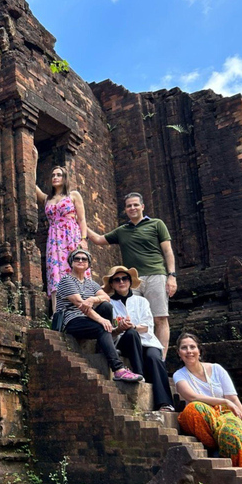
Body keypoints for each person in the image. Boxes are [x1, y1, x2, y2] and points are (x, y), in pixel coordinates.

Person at [87, 192, 177, 357]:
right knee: (131, 319)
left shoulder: (157, 224)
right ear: (126, 210)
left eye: (136, 205)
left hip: (155, 274)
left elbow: (167, 251)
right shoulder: (122, 231)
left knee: (160, 318)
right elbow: (99, 239)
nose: (132, 208)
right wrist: (79, 221)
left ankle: (159, 359)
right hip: (131, 281)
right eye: (129, 206)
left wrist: (172, 276)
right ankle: (138, 356)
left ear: (142, 206)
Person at [56, 249, 143, 383]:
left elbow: (106, 297)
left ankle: (103, 347)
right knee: (102, 327)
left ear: (88, 264)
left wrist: (92, 299)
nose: (80, 261)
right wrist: (102, 320)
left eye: (84, 259)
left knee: (106, 306)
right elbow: (81, 305)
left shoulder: (90, 283)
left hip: (88, 320)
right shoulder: (67, 280)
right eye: (76, 259)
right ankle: (119, 370)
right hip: (72, 321)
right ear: (71, 263)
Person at [173, 333, 242, 469]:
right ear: (179, 353)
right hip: (202, 420)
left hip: (224, 414)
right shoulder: (179, 375)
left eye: (192, 347)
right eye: (184, 348)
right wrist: (224, 402)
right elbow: (192, 397)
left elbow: (233, 399)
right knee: (193, 409)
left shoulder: (217, 369)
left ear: (199, 350)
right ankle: (215, 446)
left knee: (230, 433)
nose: (189, 351)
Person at [102, 266, 175, 412]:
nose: (121, 282)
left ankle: (164, 402)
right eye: (117, 280)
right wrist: (121, 328)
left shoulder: (141, 301)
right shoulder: (108, 304)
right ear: (112, 284)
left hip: (146, 340)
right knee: (130, 334)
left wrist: (132, 326)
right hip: (124, 341)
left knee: (154, 357)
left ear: (130, 281)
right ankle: (139, 374)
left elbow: (147, 326)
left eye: (124, 278)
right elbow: (108, 331)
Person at [35, 163, 89, 312]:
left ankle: (81, 311)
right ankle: (58, 313)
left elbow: (82, 219)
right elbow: (31, 185)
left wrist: (83, 239)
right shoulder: (47, 199)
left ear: (65, 178)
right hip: (54, 240)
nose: (55, 177)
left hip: (71, 236)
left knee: (75, 268)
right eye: (53, 175)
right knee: (55, 273)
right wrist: (34, 161)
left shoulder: (73, 195)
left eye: (58, 175)